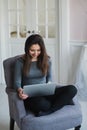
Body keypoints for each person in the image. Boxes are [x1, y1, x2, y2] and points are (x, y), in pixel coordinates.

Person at [14, 34, 77, 117]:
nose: (35, 53)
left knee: (72, 89)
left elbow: (49, 77)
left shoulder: (47, 60)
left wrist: (49, 84)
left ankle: (50, 111)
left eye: (38, 50)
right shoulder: (20, 62)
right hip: (30, 96)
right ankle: (61, 102)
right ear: (27, 49)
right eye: (32, 50)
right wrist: (20, 91)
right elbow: (17, 82)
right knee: (43, 104)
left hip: (45, 92)